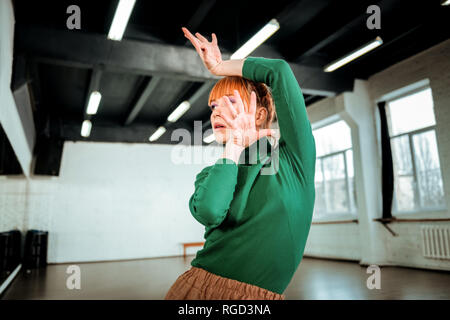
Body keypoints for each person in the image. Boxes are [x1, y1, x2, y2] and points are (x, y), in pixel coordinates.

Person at [164, 27, 316, 300]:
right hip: (199, 289)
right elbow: (210, 212)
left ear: (259, 113)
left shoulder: (294, 159)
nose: (217, 111)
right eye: (213, 107)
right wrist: (234, 147)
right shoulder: (211, 174)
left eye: (230, 100)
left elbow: (279, 71)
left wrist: (220, 66)